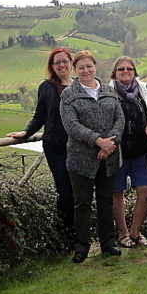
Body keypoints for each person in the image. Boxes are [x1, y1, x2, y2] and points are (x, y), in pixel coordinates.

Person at [60, 51, 124, 264]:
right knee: (82, 204)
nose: (86, 70)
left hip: (109, 157)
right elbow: (72, 126)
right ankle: (81, 247)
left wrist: (110, 145)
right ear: (75, 71)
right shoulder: (69, 95)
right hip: (81, 160)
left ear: (95, 67)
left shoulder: (109, 91)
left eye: (89, 66)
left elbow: (119, 119)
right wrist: (98, 141)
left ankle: (108, 243)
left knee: (106, 202)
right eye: (81, 68)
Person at [6, 47, 75, 244]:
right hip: (54, 146)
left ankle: (79, 236)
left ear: (71, 63)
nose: (61, 65)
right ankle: (66, 237)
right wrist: (26, 133)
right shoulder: (46, 87)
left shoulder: (79, 86)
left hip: (77, 146)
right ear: (52, 66)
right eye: (57, 62)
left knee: (78, 191)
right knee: (64, 191)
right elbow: (39, 115)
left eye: (64, 61)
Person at [109, 56, 147, 249]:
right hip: (118, 151)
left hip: (142, 150)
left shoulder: (143, 90)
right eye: (121, 69)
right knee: (117, 192)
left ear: (135, 71)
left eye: (129, 68)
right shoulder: (108, 92)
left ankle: (136, 232)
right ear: (114, 73)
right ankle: (123, 233)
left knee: (145, 190)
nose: (125, 72)